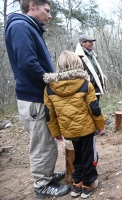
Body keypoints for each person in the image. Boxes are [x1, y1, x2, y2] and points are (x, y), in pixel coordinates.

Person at [5, 0, 70, 198]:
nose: (49, 16)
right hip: (33, 97)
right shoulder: (20, 26)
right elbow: (28, 63)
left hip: (37, 95)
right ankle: (42, 185)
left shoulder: (28, 27)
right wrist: (52, 82)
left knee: (46, 140)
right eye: (47, 10)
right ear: (32, 5)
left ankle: (47, 175)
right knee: (42, 143)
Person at [43, 51, 105, 199]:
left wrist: (55, 132)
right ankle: (87, 185)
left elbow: (49, 114)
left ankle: (77, 184)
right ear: (78, 64)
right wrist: (100, 125)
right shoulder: (85, 83)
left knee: (76, 157)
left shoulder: (50, 88)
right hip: (86, 129)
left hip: (68, 131)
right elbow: (94, 108)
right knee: (89, 156)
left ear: (59, 66)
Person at [75, 34, 107, 100]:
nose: (92, 43)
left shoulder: (92, 55)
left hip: (96, 87)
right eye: (89, 42)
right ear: (82, 43)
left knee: (96, 107)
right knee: (91, 108)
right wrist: (90, 81)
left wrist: (101, 78)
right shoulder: (77, 57)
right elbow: (77, 74)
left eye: (92, 42)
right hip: (87, 88)